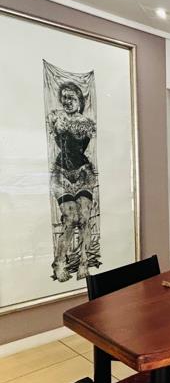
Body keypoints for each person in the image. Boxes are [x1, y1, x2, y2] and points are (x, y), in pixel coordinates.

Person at [47, 82, 97, 282]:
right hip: (61, 173)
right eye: (64, 97)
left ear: (79, 100)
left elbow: (89, 151)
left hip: (83, 173)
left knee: (84, 218)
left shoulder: (88, 123)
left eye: (71, 98)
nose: (67, 101)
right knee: (70, 219)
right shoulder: (55, 118)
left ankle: (84, 262)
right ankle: (59, 263)